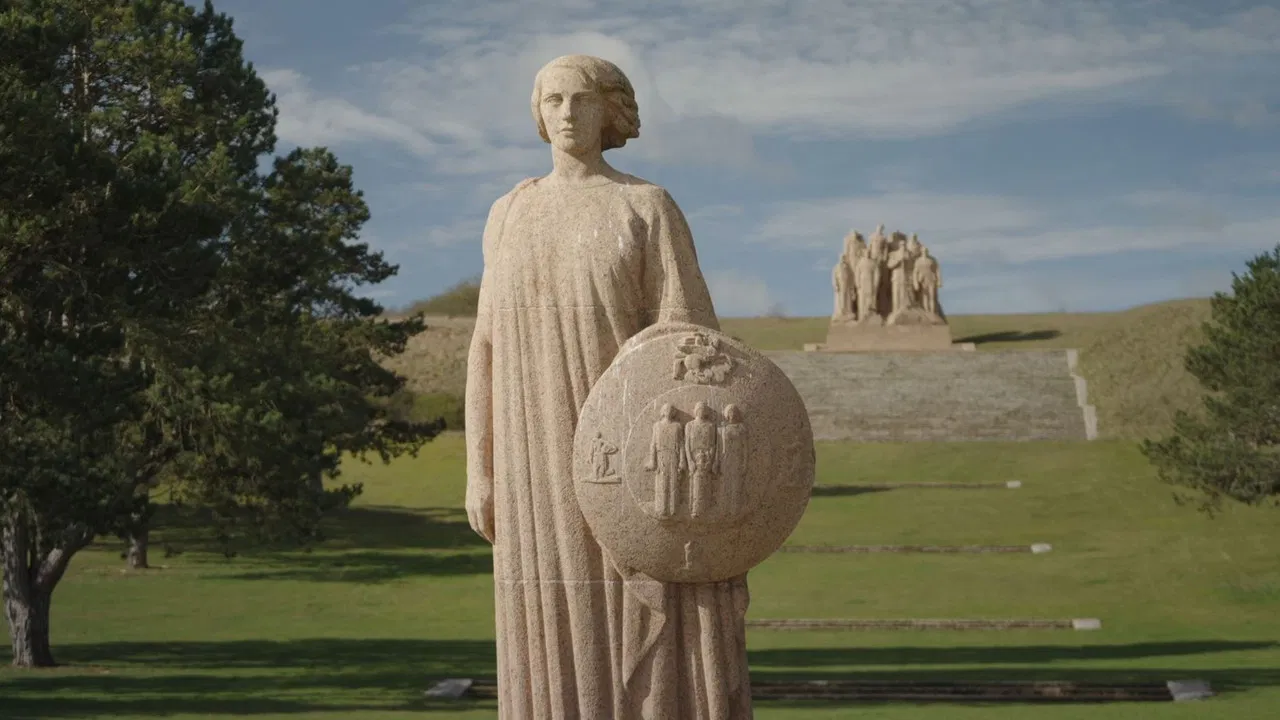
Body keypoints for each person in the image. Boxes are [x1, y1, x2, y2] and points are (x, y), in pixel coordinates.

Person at [464, 54, 750, 719]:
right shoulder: (508, 213)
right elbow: (485, 346)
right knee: (544, 613)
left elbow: (690, 350)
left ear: (609, 111)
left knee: (642, 608)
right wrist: (480, 470)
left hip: (624, 455)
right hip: (530, 459)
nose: (567, 113)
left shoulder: (645, 207)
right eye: (553, 100)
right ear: (538, 114)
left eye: (582, 99)